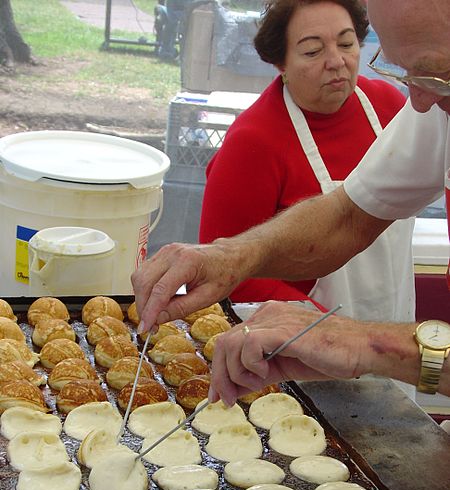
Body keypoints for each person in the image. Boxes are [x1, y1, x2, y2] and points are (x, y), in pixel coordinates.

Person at [132, 0, 450, 405]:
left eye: (440, 73)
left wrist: (365, 343)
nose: (419, 101)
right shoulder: (434, 109)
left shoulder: (400, 103)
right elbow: (346, 216)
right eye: (402, 71)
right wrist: (231, 255)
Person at [199, 0, 412, 324]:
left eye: (346, 43)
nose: (336, 61)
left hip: (392, 323)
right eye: (313, 51)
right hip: (297, 346)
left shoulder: (391, 107)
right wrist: (326, 329)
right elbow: (224, 274)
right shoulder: (252, 143)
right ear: (281, 62)